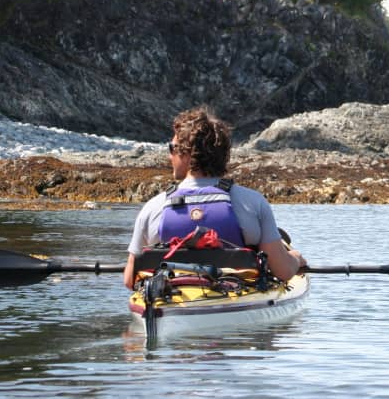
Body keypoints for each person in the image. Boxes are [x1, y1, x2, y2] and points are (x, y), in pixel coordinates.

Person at [123, 107, 305, 290]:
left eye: (172, 148)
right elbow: (282, 271)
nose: (170, 155)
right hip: (236, 296)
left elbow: (130, 279)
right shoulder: (253, 203)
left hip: (171, 298)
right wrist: (296, 259)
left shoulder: (154, 207)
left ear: (186, 153)